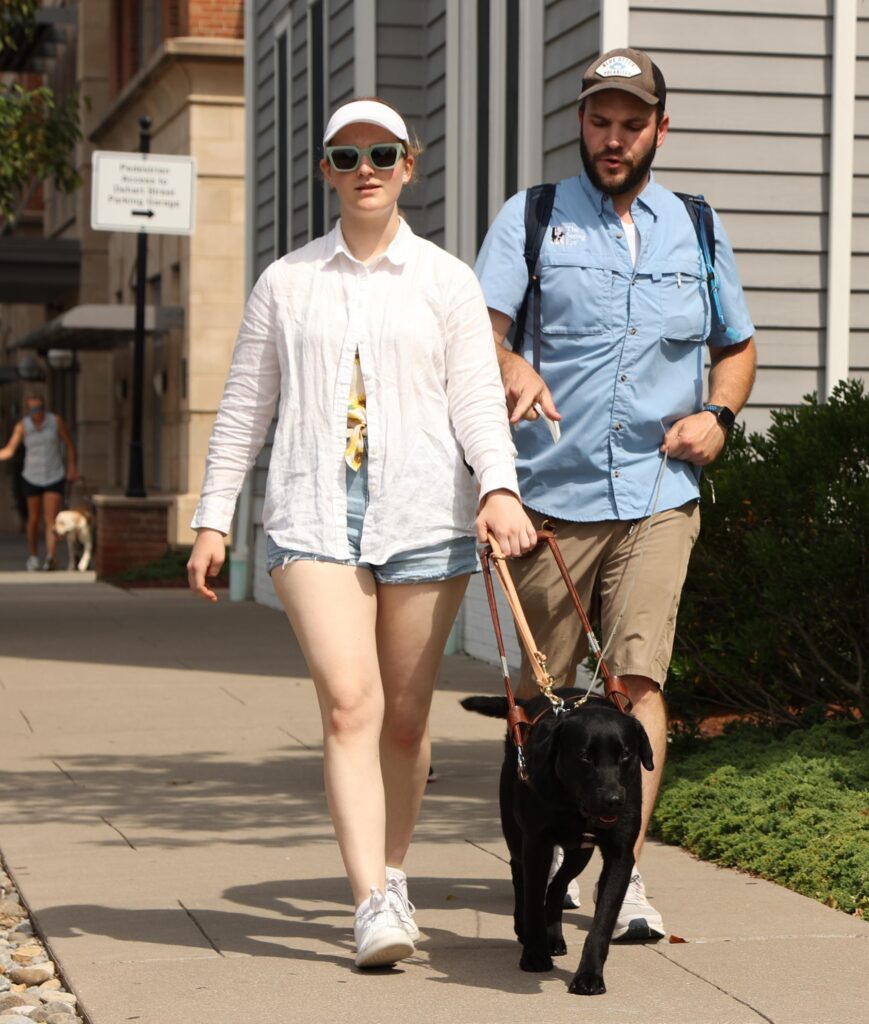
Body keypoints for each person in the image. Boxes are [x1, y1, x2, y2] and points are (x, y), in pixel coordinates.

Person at [186, 98, 536, 969]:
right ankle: (371, 902)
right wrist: (210, 518)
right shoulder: (288, 282)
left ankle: (392, 868)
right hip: (313, 515)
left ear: (409, 166)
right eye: (348, 157)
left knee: (408, 725)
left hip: (424, 514)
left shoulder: (447, 281)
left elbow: (474, 401)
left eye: (383, 154)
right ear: (326, 173)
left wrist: (498, 486)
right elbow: (243, 410)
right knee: (352, 704)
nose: (367, 169)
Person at [475, 48, 757, 942]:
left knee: (635, 681)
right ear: (583, 123)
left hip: (658, 495)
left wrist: (718, 413)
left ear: (659, 130)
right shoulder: (534, 219)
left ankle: (621, 871)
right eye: (600, 119)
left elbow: (738, 348)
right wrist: (510, 360)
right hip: (549, 501)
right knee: (544, 702)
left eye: (632, 123)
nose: (614, 137)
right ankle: (537, 860)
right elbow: (476, 333)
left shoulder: (699, 227)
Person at [0, 394, 78, 571]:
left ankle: (51, 557)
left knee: (51, 519)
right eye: (34, 409)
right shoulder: (23, 426)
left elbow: (69, 444)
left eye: (41, 408)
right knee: (33, 519)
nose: (38, 412)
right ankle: (34, 556)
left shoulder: (55, 421)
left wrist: (72, 467)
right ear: (28, 410)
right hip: (32, 476)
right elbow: (10, 450)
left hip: (53, 474)